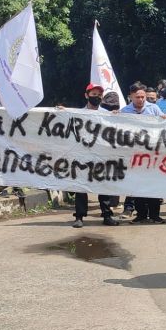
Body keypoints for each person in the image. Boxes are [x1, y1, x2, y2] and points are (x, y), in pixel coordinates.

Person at [71, 84, 120, 228]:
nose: (97, 97)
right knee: (81, 187)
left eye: (99, 94)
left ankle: (107, 215)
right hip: (83, 155)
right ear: (86, 95)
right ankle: (79, 216)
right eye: (94, 94)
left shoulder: (107, 114)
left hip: (101, 156)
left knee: (103, 185)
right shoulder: (77, 114)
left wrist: (117, 118)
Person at [120, 82, 166, 224]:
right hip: (134, 155)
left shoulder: (154, 109)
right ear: (131, 97)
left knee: (153, 184)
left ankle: (155, 215)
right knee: (137, 185)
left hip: (152, 154)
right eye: (137, 97)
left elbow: (165, 126)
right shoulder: (124, 111)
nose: (140, 100)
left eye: (142, 97)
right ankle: (140, 214)